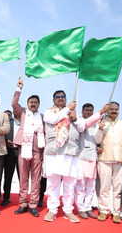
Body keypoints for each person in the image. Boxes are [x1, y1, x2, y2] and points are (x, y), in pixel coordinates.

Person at [43, 90, 85, 223]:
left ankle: (68, 210)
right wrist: (67, 110)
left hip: (71, 152)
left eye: (63, 97)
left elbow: (82, 128)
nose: (60, 99)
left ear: (66, 99)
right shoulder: (48, 112)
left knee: (70, 184)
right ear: (53, 100)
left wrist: (75, 118)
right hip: (54, 152)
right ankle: (52, 210)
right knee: (53, 183)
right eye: (57, 97)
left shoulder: (73, 114)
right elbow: (54, 119)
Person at [12, 78, 44, 217]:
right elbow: (13, 103)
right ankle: (23, 203)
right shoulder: (23, 113)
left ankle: (33, 205)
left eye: (35, 103)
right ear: (27, 104)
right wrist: (19, 89)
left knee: (36, 180)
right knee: (23, 178)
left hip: (37, 150)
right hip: (23, 149)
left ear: (38, 105)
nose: (33, 104)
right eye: (31, 102)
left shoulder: (42, 117)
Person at [97, 102, 122, 223]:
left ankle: (116, 212)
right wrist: (100, 129)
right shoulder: (102, 123)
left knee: (118, 188)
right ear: (107, 110)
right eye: (111, 109)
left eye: (116, 109)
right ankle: (104, 210)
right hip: (104, 158)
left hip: (119, 160)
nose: (113, 111)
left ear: (119, 110)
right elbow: (97, 140)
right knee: (104, 187)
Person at [74, 103, 107, 219]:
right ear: (82, 112)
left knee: (91, 186)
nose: (89, 112)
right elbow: (83, 127)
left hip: (92, 159)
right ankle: (80, 208)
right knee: (80, 186)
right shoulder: (79, 122)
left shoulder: (95, 126)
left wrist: (100, 129)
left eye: (91, 110)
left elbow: (98, 140)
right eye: (86, 110)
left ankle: (88, 207)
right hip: (81, 158)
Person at [1, 109, 20, 207]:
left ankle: (23, 199)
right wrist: (6, 142)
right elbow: (2, 136)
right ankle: (6, 197)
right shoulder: (9, 122)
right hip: (9, 152)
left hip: (21, 152)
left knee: (22, 178)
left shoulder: (25, 123)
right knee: (8, 177)